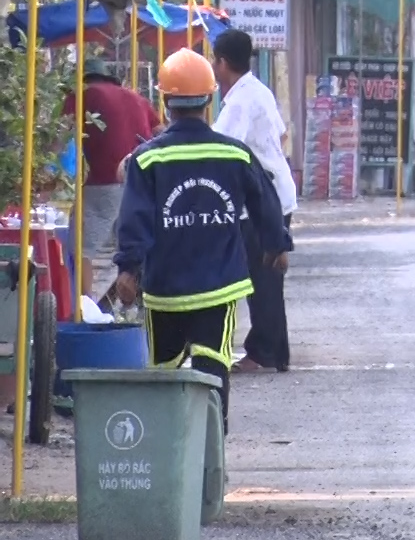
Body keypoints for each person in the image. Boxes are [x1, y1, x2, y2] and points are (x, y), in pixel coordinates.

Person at [113, 49, 292, 428]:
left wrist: (128, 269)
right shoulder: (233, 153)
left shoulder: (147, 159)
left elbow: (134, 219)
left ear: (165, 101)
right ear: (209, 99)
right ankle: (211, 454)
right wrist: (276, 245)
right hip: (218, 287)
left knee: (164, 372)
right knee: (213, 368)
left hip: (165, 292)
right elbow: (265, 199)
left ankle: (169, 451)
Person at [211, 30, 298, 373]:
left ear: (222, 62)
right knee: (268, 277)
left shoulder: (240, 101)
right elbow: (280, 133)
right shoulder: (256, 90)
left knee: (262, 278)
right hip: (273, 195)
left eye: (213, 61)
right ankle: (276, 352)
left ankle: (263, 353)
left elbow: (221, 147)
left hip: (263, 201)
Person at [63, 57, 160, 294]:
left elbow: (58, 137)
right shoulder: (136, 98)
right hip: (145, 180)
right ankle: (120, 304)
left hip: (106, 182)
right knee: (132, 250)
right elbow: (160, 132)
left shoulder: (83, 95)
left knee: (80, 248)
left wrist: (44, 171)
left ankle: (83, 310)